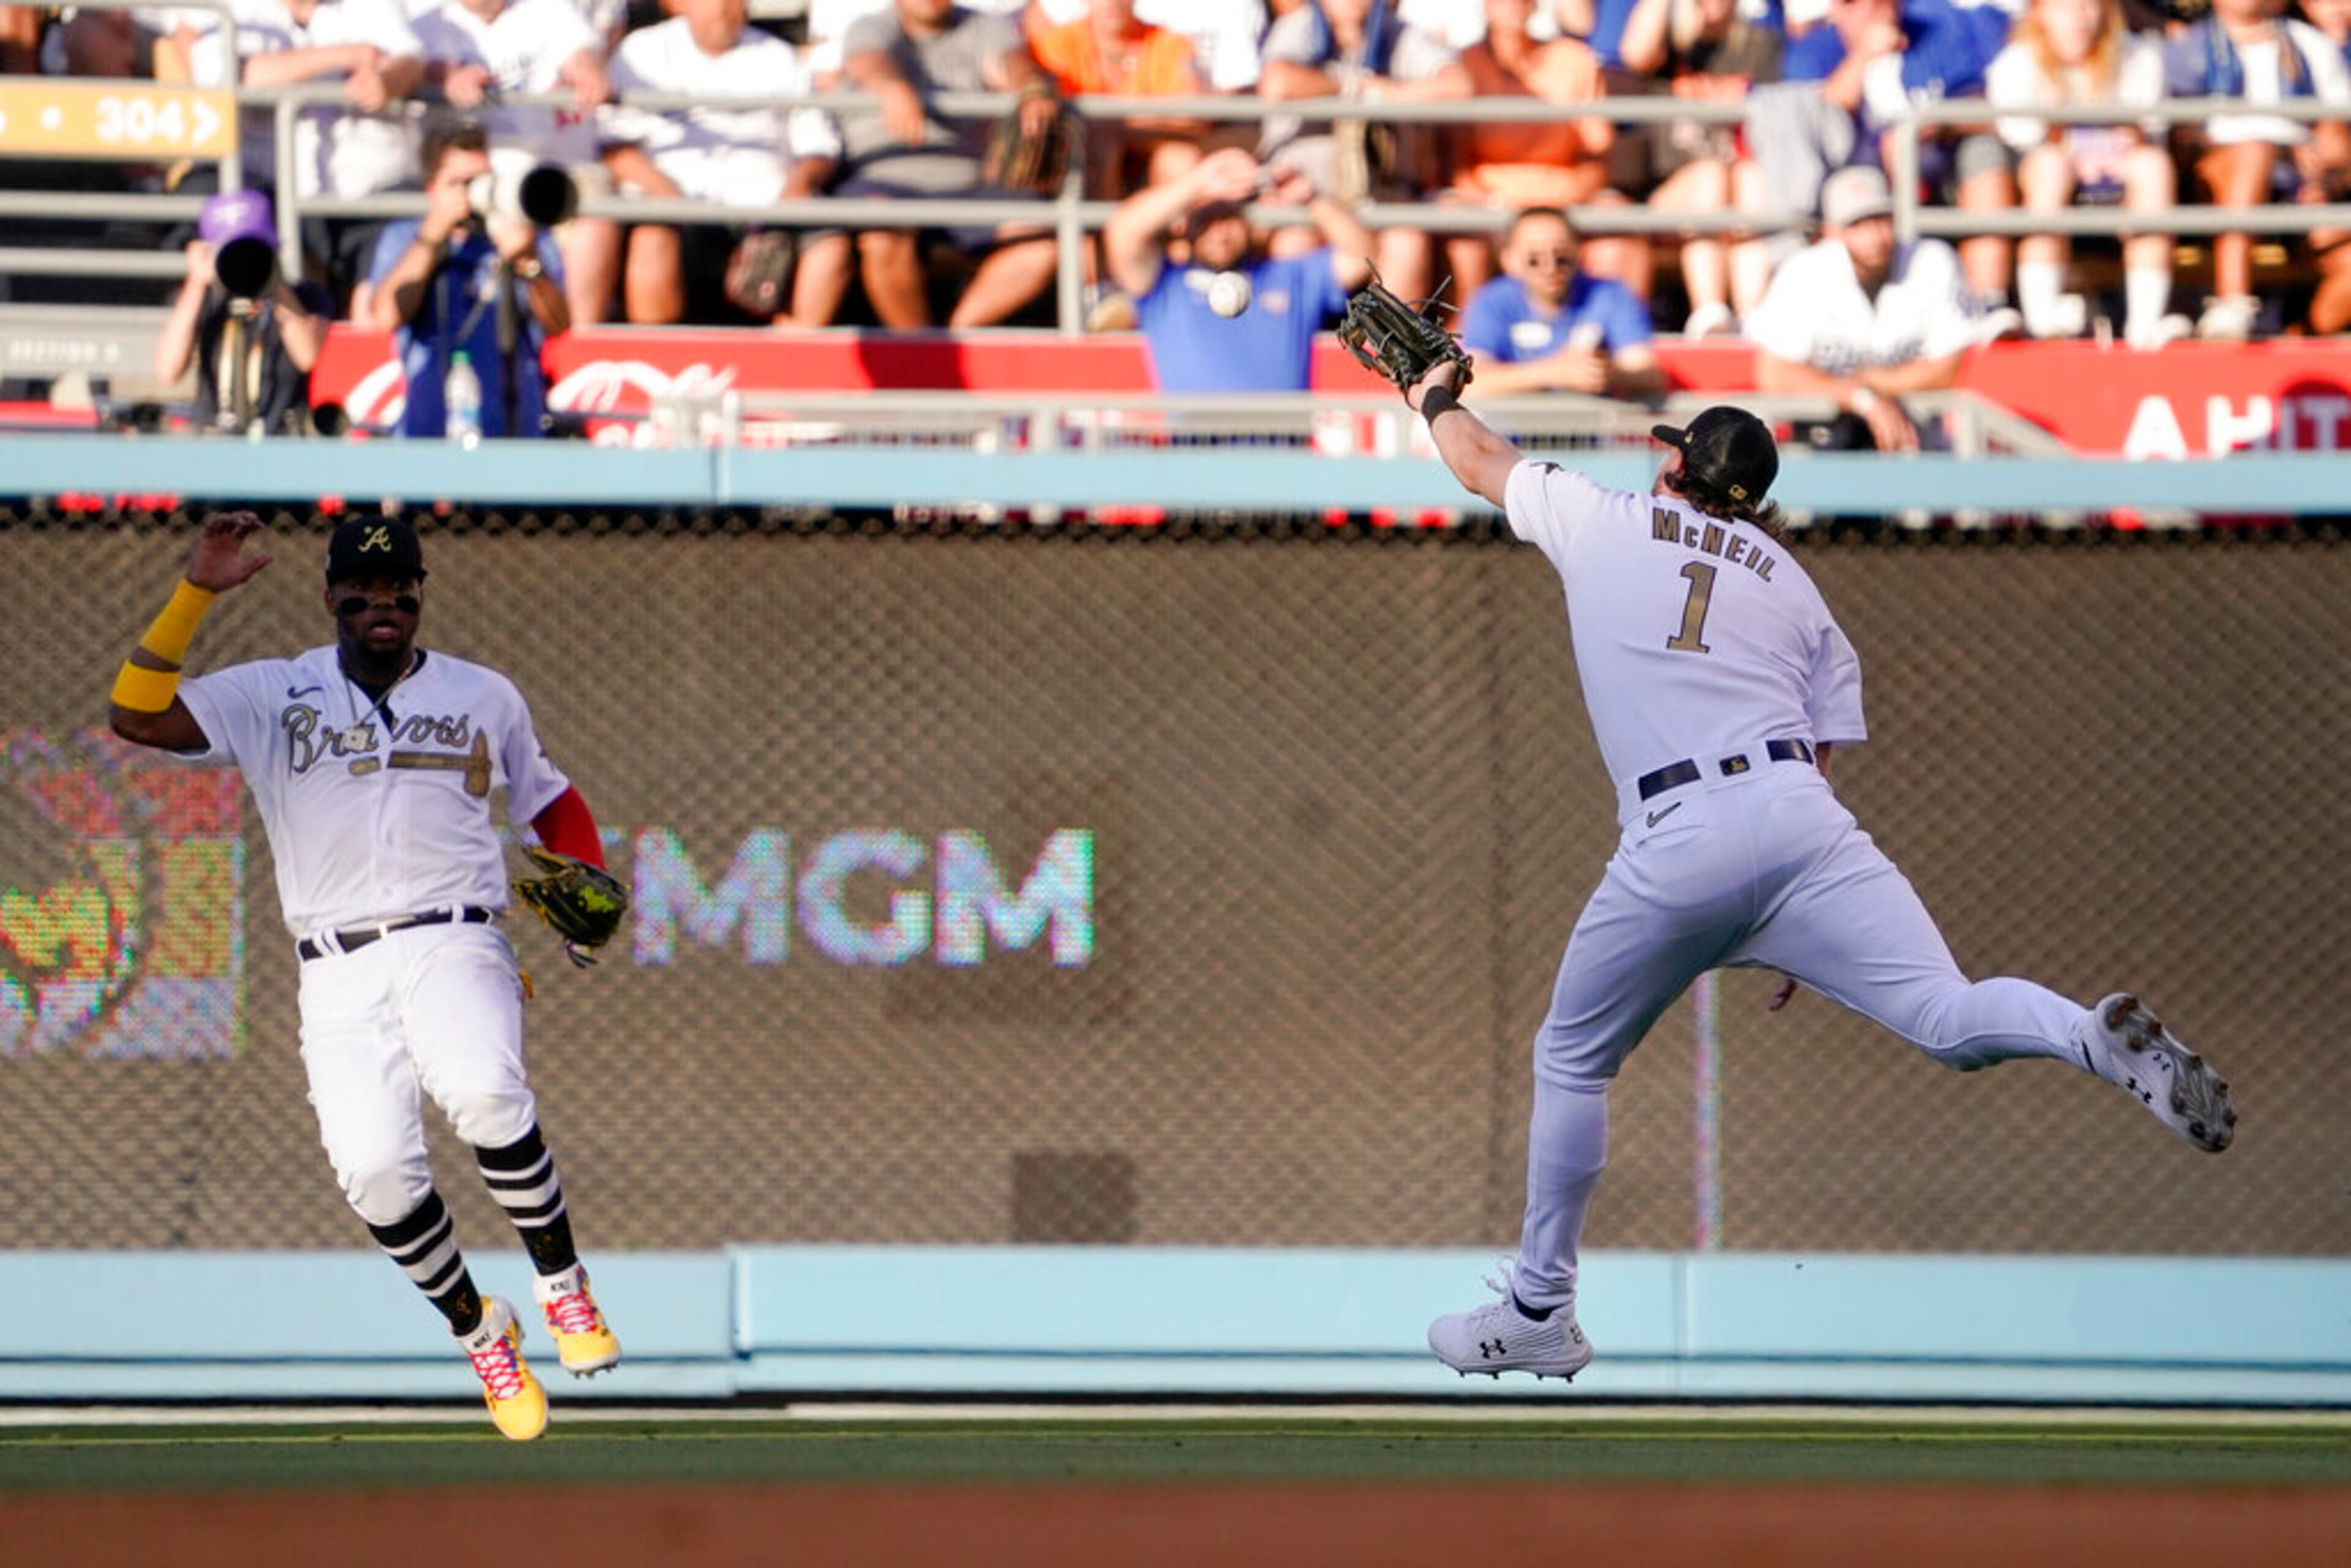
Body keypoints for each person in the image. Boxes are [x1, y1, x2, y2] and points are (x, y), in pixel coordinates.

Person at [1389, 366, 2237, 1383]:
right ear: (1758, 502)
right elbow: (1821, 760)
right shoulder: (1796, 586)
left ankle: (1539, 1309)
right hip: (1801, 826)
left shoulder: (1603, 516)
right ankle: (2090, 1038)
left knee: (1573, 1062)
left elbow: (1479, 457)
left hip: (1681, 825)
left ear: (1671, 464)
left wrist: (1432, 394)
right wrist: (1790, 918)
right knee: (1948, 1017)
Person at [107, 512, 628, 1439]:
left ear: (421, 595)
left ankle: (562, 1285)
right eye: (362, 590)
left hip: (454, 934)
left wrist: (584, 872)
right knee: (378, 1175)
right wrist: (195, 594)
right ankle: (480, 1330)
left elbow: (550, 799)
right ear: (330, 597)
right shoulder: (275, 693)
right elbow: (136, 713)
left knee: (482, 1091)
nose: (381, 605)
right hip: (334, 966)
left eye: (400, 590)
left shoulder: (483, 694)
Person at [1745, 0, 2020, 336]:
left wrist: (1931, 124)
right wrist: (1863, 56)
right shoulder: (1814, 49)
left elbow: (1983, 107)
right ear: (1835, 9)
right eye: (1853, 2)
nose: (1870, 8)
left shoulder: (1935, 32)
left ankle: (1987, 304)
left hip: (1935, 168)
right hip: (1844, 182)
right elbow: (1815, 122)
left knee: (1983, 154)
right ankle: (1781, 308)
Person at [600, 0, 844, 326]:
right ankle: (660, 362)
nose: (722, 7)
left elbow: (819, 145)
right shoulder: (642, 52)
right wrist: (672, 199)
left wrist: (796, 191)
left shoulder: (781, 57)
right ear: (676, 5)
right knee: (652, 238)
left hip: (770, 208)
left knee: (831, 246)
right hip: (674, 206)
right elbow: (617, 148)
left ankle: (790, 361)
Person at [829, 0, 1065, 329]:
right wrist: (891, 88)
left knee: (1041, 243)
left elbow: (1008, 64)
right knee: (883, 234)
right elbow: (867, 61)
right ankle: (919, 351)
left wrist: (1031, 89)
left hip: (969, 186)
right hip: (884, 178)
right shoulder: (871, 27)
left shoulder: (984, 27)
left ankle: (951, 340)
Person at [1985, 0, 2187, 347]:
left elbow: (2149, 129)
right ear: (2039, 13)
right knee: (2050, 167)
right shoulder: (2016, 63)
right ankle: (2042, 321)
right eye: (2064, 7)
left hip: (2122, 184)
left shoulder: (2138, 56)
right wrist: (2058, 129)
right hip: (2049, 187)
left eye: (2088, 5)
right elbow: (2020, 138)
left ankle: (2146, 326)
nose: (2079, 17)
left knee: (2154, 167)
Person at [411, 0, 620, 327]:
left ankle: (579, 351)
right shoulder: (427, 18)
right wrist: (446, 76)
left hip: (549, 178)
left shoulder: (548, 10)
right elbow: (405, 65)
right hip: (471, 182)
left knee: (594, 223)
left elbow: (582, 52)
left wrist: (589, 72)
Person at [1101, 144, 1374, 391]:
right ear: (1186, 226)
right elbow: (1122, 232)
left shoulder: (1288, 276)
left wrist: (1311, 197)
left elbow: (1363, 257)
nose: (1220, 233)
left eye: (1229, 218)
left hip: (1283, 444)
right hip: (1193, 446)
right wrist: (1199, 182)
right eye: (1207, 221)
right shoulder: (1165, 285)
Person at [1744, 164, 1977, 452]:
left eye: (1881, 219)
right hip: (1825, 436)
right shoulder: (1804, 271)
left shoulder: (1933, 260)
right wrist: (1862, 400)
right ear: (1832, 230)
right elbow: (1774, 373)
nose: (1874, 235)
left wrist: (1872, 385)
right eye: (1858, 224)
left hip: (1916, 432)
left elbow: (1950, 366)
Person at [360, 119, 569, 439]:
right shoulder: (405, 237)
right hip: (428, 436)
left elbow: (559, 325)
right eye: (458, 183)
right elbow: (386, 317)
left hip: (515, 435)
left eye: (479, 181)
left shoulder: (523, 237)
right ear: (432, 187)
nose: (470, 195)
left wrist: (529, 263)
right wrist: (432, 237)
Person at [1258, 0, 1475, 306]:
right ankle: (1297, 348)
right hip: (1306, 202)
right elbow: (1277, 83)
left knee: (1409, 243)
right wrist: (1353, 88)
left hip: (1381, 204)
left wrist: (1390, 94)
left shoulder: (1398, 32)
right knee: (1294, 245)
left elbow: (1458, 87)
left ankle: (1393, 350)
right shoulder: (1299, 26)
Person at [2164, 0, 2351, 339]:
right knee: (2254, 153)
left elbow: (2337, 138)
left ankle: (2293, 344)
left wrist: (2326, 178)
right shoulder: (2186, 49)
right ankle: (2231, 302)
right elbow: (2178, 140)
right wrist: (2264, 150)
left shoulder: (2309, 45)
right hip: (2215, 184)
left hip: (2295, 190)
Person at [1437, 0, 1622, 310]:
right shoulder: (1464, 66)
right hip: (1488, 205)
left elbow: (1598, 155)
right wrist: (1487, 200)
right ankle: (1468, 331)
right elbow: (1453, 164)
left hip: (1567, 203)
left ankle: (1606, 333)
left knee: (1620, 228)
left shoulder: (1574, 60)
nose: (1512, 5)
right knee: (1458, 223)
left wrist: (1571, 197)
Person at [1614, 0, 1785, 336]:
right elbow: (1634, 54)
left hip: (1741, 188)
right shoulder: (1671, 48)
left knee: (1749, 176)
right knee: (1712, 174)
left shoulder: (1760, 44)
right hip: (1673, 195)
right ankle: (1710, 314)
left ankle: (1753, 315)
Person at [152, 188, 331, 435]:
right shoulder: (202, 302)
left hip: (281, 439)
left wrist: (274, 282)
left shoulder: (304, 297)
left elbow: (307, 356)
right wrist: (196, 283)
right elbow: (167, 371)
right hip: (215, 440)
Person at [1458, 206, 1668, 397]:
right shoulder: (1490, 301)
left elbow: (1649, 374)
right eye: (1535, 259)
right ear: (1509, 260)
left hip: (1593, 435)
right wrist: (1554, 372)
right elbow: (1472, 381)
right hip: (1507, 434)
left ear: (1578, 253)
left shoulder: (1611, 294)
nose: (1550, 268)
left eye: (1562, 257)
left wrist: (1603, 372)